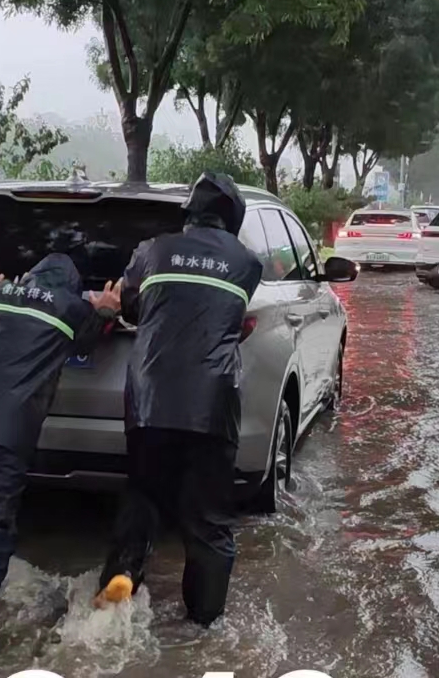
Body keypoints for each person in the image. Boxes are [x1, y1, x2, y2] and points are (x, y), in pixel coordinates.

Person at [94, 172, 263, 626]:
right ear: (233, 218)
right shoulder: (248, 262)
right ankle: (204, 622)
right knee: (208, 519)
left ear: (189, 213)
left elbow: (129, 304)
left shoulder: (152, 251)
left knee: (144, 494)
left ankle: (124, 575)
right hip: (212, 403)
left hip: (149, 399)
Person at [0, 253, 122, 653]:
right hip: (2, 431)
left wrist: (2, 284)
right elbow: (91, 336)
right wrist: (104, 310)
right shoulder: (71, 307)